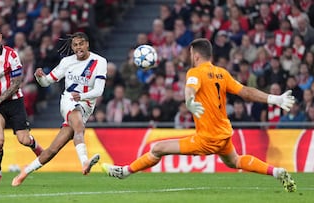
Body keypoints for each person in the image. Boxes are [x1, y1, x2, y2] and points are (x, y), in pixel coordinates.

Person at [101, 38, 297, 192]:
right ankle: (276, 171)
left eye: (190, 53)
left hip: (207, 138)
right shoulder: (222, 73)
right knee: (235, 161)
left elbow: (190, 90)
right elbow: (246, 91)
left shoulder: (195, 72)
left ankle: (124, 171)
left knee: (158, 148)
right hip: (224, 133)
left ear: (195, 55)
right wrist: (274, 99)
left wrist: (189, 102)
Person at [11, 32, 107, 186]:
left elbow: (99, 91)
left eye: (81, 44)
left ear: (87, 44)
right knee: (79, 125)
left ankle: (25, 172)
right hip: (69, 100)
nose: (78, 47)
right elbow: (47, 82)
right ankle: (84, 162)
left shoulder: (100, 62)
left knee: (52, 150)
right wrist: (40, 77)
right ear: (72, 47)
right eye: (75, 45)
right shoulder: (67, 62)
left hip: (86, 105)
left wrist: (82, 96)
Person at [0, 24, 44, 186]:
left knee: (24, 140)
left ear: (1, 38)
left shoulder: (11, 55)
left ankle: (38, 148)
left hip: (13, 101)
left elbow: (17, 82)